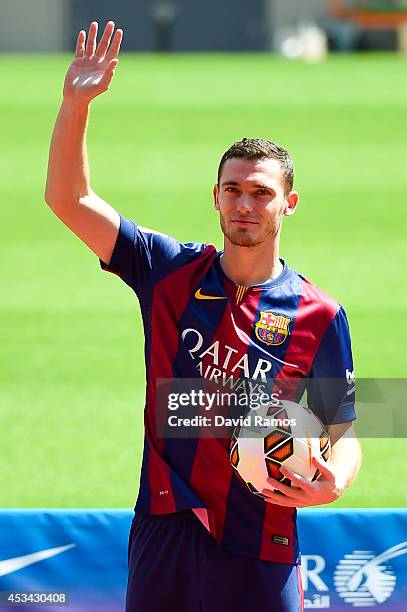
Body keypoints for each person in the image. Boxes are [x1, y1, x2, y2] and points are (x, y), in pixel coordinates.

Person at [45, 21, 362, 612]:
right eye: (233, 190)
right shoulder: (168, 271)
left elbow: (344, 426)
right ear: (214, 196)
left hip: (261, 536)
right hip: (166, 524)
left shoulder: (320, 312)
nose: (245, 204)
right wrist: (75, 105)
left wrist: (334, 479)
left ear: (288, 203)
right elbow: (69, 200)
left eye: (261, 193)